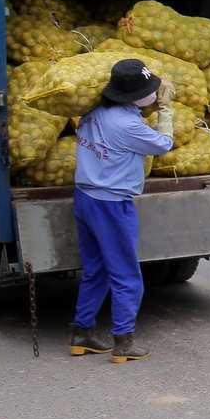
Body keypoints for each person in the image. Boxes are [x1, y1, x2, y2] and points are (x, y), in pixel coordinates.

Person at [67, 59, 176, 363]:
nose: (154, 93)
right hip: (112, 204)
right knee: (126, 274)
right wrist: (166, 112)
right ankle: (124, 342)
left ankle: (81, 333)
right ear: (132, 96)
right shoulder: (127, 125)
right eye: (150, 91)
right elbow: (163, 145)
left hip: (85, 197)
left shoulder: (94, 113)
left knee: (96, 269)